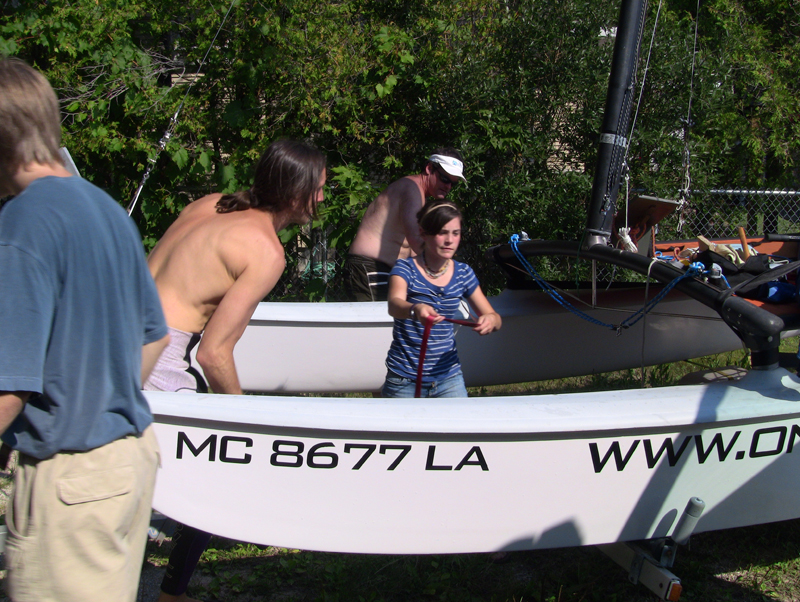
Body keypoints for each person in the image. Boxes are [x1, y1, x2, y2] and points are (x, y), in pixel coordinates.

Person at [0, 57, 169, 602]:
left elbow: (9, 389)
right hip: (128, 460)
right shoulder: (105, 207)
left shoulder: (22, 224)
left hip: (70, 478)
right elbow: (155, 336)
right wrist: (102, 403)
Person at [144, 138, 327, 602]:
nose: (323, 198)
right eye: (318, 189)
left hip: (115, 331)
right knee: (220, 475)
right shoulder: (266, 250)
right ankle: (171, 594)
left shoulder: (211, 203)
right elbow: (214, 353)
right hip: (160, 355)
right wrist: (240, 415)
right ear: (295, 193)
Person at [382, 200, 501, 398]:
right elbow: (394, 305)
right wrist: (415, 309)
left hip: (448, 378)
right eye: (442, 233)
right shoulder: (405, 269)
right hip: (404, 379)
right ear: (423, 233)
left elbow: (494, 317)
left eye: (456, 233)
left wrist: (490, 320)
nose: (449, 240)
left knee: (461, 420)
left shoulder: (463, 273)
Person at [344, 148, 467, 301]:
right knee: (383, 317)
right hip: (370, 267)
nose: (448, 186)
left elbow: (414, 249)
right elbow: (416, 239)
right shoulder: (412, 189)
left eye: (453, 183)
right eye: (444, 179)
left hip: (382, 269)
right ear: (429, 168)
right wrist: (445, 269)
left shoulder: (419, 195)